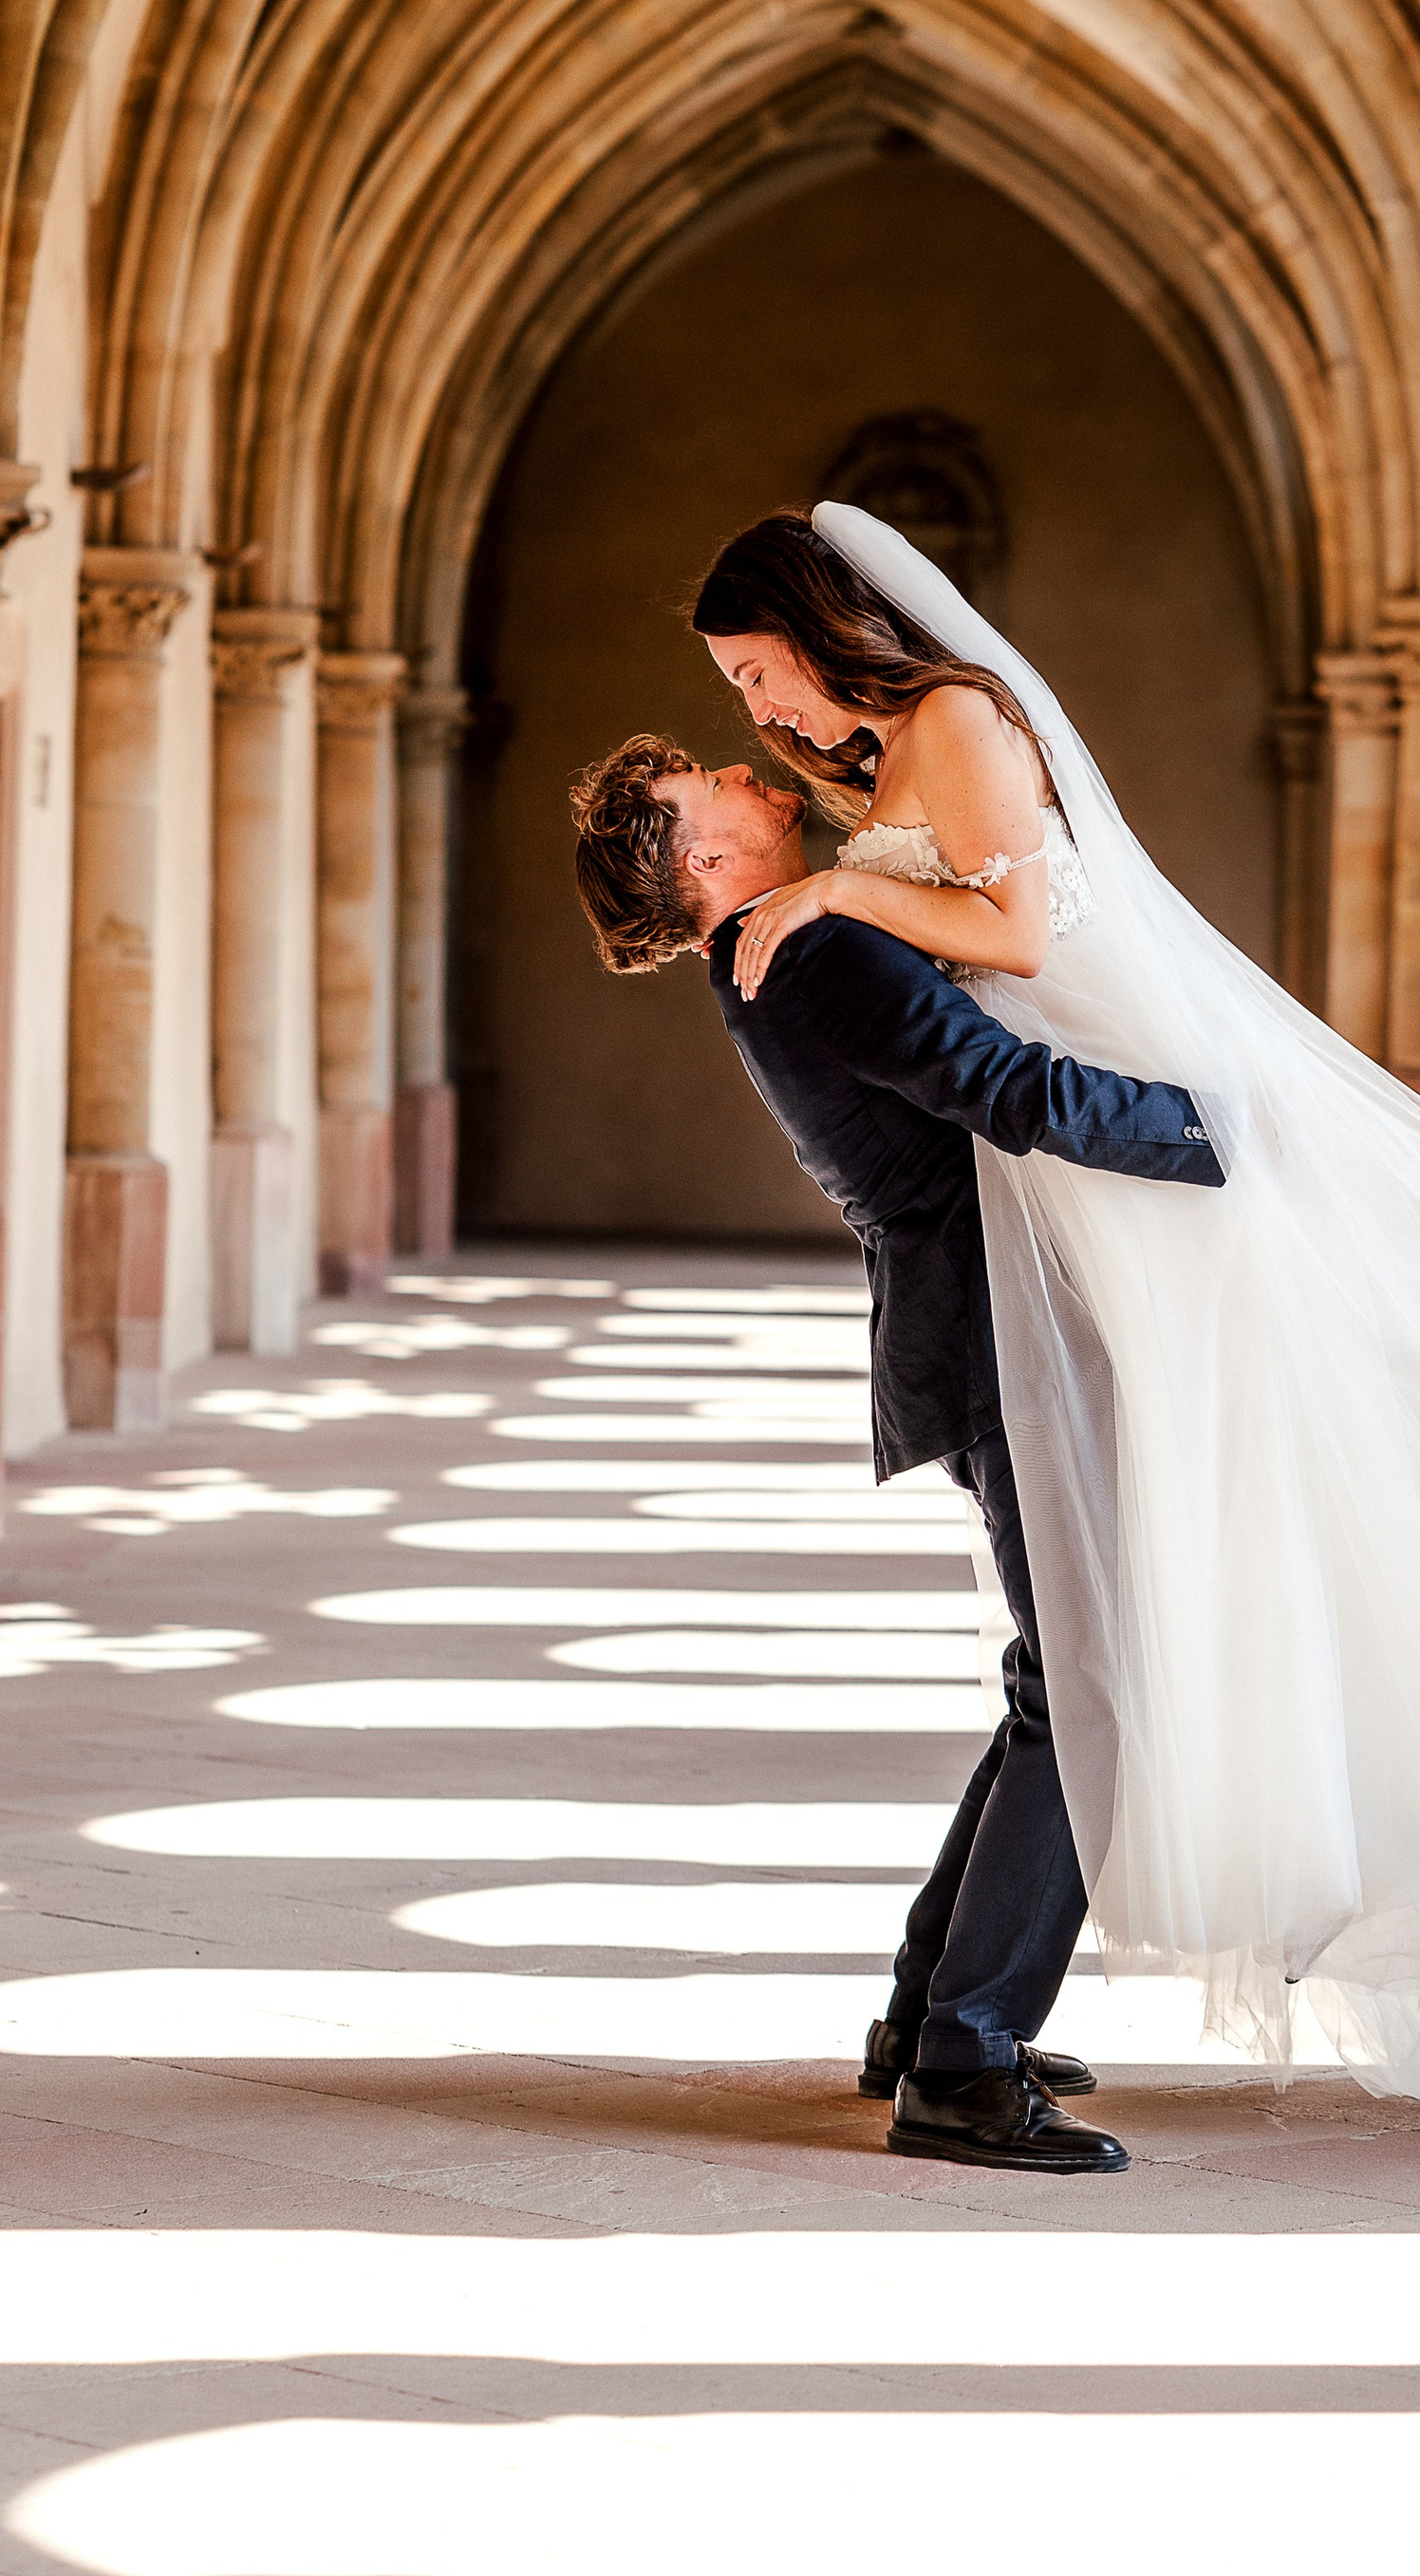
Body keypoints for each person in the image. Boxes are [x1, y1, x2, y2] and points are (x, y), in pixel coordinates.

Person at [677, 503, 1420, 2112]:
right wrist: (832, 894)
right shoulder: (862, 805)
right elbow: (988, 999)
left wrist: (834, 894)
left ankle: (945, 2021)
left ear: (825, 624)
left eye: (759, 674)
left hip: (1116, 1181)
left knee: (1089, 1658)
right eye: (737, 702)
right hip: (1067, 1223)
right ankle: (948, 2036)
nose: (758, 717)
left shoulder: (950, 723)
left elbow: (1024, 936)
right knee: (1084, 1672)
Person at [569, 732, 1226, 2172]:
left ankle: (931, 2011)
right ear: (697, 859)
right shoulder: (802, 957)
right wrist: (1224, 1134)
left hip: (971, 1332)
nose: (745, 766)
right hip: (994, 1339)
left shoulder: (786, 943)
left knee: (1057, 1677)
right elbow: (1014, 1093)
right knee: (1088, 1689)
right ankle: (962, 2065)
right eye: (705, 781)